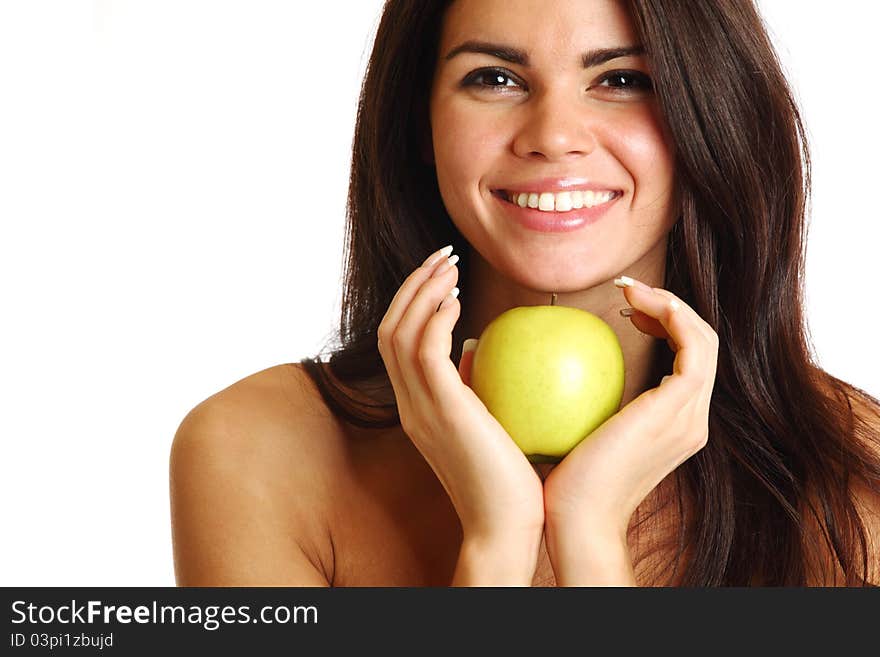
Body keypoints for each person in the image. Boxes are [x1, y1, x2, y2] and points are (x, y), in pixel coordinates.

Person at [169, 0, 880, 586]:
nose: (554, 136)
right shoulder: (256, 451)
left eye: (623, 80)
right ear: (422, 121)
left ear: (710, 110)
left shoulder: (853, 474)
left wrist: (591, 541)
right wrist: (496, 545)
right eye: (496, 78)